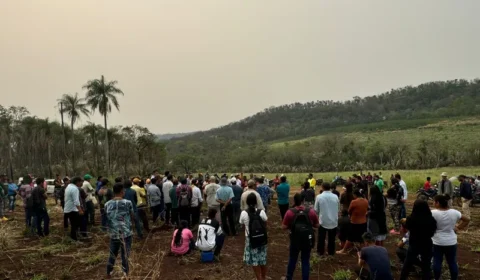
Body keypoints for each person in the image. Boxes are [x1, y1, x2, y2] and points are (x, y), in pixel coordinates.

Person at [431, 194, 470, 280]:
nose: (433, 203)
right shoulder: (454, 212)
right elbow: (467, 220)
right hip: (451, 242)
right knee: (452, 262)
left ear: (438, 203)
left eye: (434, 201)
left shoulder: (433, 213)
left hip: (437, 241)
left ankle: (437, 278)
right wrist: (458, 228)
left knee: (437, 261)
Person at [282, 193, 319, 280]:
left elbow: (283, 227)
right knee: (305, 260)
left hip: (295, 239)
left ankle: (289, 277)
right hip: (307, 239)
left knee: (292, 258)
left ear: (294, 201)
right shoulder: (310, 211)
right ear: (303, 201)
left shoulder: (290, 212)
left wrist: (291, 226)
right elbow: (317, 225)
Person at [399, 199, 437, 280]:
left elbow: (408, 228)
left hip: (414, 243)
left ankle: (402, 278)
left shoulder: (411, 218)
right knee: (426, 266)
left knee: (407, 264)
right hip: (427, 243)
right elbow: (433, 231)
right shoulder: (431, 219)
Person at [105, 183, 135, 279]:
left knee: (112, 253)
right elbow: (132, 215)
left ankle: (109, 272)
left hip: (114, 233)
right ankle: (126, 273)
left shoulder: (107, 204)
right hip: (126, 233)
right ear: (122, 191)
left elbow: (107, 217)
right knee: (125, 254)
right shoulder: (128, 203)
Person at [240, 193, 268, 280]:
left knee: (254, 260)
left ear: (247, 202)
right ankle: (263, 277)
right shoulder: (261, 211)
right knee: (262, 258)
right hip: (262, 237)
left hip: (250, 238)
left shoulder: (244, 213)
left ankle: (258, 278)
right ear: (256, 202)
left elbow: (242, 223)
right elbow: (266, 222)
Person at [337, 189, 368, 254]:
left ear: (355, 195)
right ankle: (365, 250)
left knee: (350, 237)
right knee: (361, 236)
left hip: (355, 222)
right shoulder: (366, 201)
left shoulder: (354, 202)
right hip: (364, 221)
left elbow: (349, 211)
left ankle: (344, 250)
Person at [314, 182, 339, 256]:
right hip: (334, 221)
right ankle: (331, 252)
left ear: (322, 187)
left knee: (321, 238)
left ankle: (320, 252)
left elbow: (316, 210)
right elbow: (338, 208)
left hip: (323, 221)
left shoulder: (319, 197)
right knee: (332, 239)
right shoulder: (335, 196)